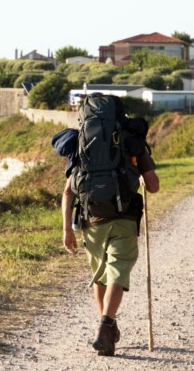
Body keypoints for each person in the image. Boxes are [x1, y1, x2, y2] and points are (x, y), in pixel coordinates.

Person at [61, 147, 159, 356]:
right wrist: (140, 175)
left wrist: (67, 229)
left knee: (101, 275)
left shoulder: (83, 141)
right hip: (124, 220)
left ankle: (107, 327)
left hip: (93, 222)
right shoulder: (132, 138)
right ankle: (106, 327)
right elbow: (154, 186)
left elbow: (68, 191)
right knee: (118, 270)